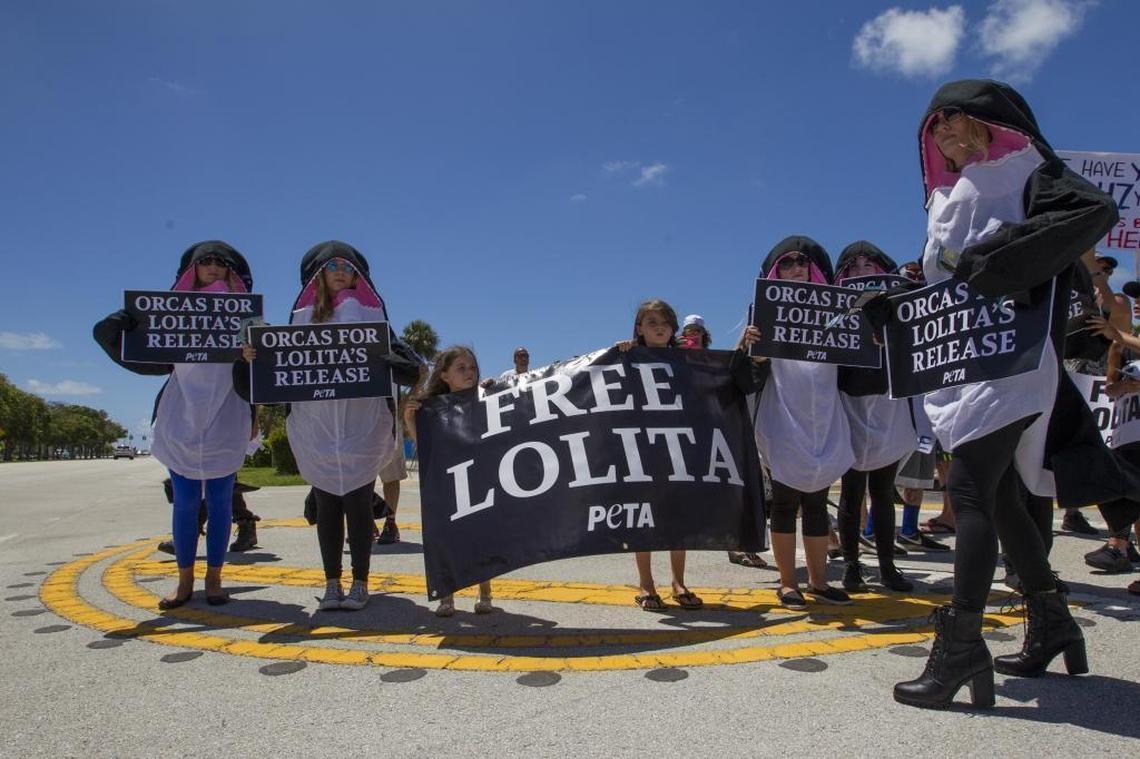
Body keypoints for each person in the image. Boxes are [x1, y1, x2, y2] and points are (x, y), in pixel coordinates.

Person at [884, 79, 1119, 709]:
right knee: (1005, 496)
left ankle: (962, 644)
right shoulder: (945, 199)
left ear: (991, 123)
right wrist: (895, 301)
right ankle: (1052, 620)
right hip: (961, 362)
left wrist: (1007, 256)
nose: (946, 131)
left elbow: (1091, 211)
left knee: (965, 489)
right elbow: (945, 281)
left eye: (958, 118)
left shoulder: (1028, 169)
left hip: (1011, 360)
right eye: (935, 125)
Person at [243, 241, 421, 612]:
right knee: (327, 510)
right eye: (333, 265)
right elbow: (277, 372)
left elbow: (411, 364)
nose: (341, 271)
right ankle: (331, 583)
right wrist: (251, 360)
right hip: (317, 429)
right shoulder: (301, 318)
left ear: (358, 275)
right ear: (319, 274)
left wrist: (398, 362)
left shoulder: (373, 317)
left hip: (361, 426)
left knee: (357, 508)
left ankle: (359, 583)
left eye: (348, 266)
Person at [94, 241, 257, 608]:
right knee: (184, 502)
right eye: (206, 262)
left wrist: (255, 409)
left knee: (220, 504)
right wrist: (114, 330)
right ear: (193, 270)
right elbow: (143, 358)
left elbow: (258, 374)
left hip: (228, 413)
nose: (214, 268)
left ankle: (214, 579)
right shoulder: (170, 315)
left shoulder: (247, 317)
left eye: (222, 264)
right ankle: (184, 581)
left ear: (233, 272)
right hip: (182, 413)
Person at [753, 237, 854, 610]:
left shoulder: (838, 315)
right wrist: (752, 354)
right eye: (787, 263)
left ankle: (819, 581)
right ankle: (786, 582)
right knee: (783, 504)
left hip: (824, 417)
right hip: (784, 419)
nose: (796, 268)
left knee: (815, 504)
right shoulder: (763, 314)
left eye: (802, 263)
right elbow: (746, 376)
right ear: (774, 272)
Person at [611, 300, 706, 611]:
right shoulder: (628, 355)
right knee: (644, 520)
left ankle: (678, 582)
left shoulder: (685, 360)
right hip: (641, 448)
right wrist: (619, 353)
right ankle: (646, 584)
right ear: (639, 328)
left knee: (678, 519)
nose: (659, 327)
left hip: (676, 447)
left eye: (665, 321)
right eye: (651, 322)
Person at [834, 241, 916, 593]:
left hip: (887, 403)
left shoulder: (901, 304)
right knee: (851, 493)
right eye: (855, 265)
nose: (863, 268)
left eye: (870, 263)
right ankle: (851, 565)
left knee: (883, 492)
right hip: (850, 404)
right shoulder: (833, 310)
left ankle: (887, 566)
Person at [403, 346, 495, 617]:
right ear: (444, 375)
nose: (469, 373)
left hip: (478, 479)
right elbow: (426, 446)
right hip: (447, 484)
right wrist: (410, 420)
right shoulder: (433, 410)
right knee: (446, 539)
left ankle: (485, 590)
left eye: (472, 368)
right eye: (461, 368)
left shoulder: (485, 399)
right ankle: (447, 595)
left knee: (483, 538)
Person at [676, 313, 769, 569]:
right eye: (688, 330)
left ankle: (738, 546)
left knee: (731, 492)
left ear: (704, 334)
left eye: (696, 330)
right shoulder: (673, 358)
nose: (692, 334)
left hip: (718, 434)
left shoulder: (716, 361)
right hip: (685, 436)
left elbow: (733, 364)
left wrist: (741, 340)